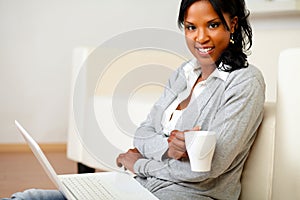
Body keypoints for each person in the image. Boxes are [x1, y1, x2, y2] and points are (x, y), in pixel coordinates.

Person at [2, 0, 265, 199]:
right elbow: (142, 132)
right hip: (139, 188)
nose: (200, 38)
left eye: (213, 24)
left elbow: (207, 169)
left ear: (233, 24)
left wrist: (137, 163)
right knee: (30, 197)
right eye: (190, 27)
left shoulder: (245, 82)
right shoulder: (184, 74)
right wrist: (168, 149)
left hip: (185, 195)